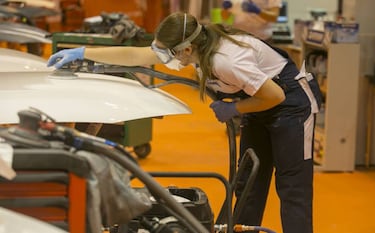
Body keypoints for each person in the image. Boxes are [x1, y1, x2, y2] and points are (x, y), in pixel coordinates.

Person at [47, 12, 321, 233]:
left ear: (187, 48)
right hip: (259, 102)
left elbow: (275, 95)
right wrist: (83, 52)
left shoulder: (227, 61)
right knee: (248, 182)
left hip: (291, 105)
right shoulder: (197, 47)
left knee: (291, 187)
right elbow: (137, 56)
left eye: (169, 54)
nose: (165, 59)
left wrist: (235, 108)